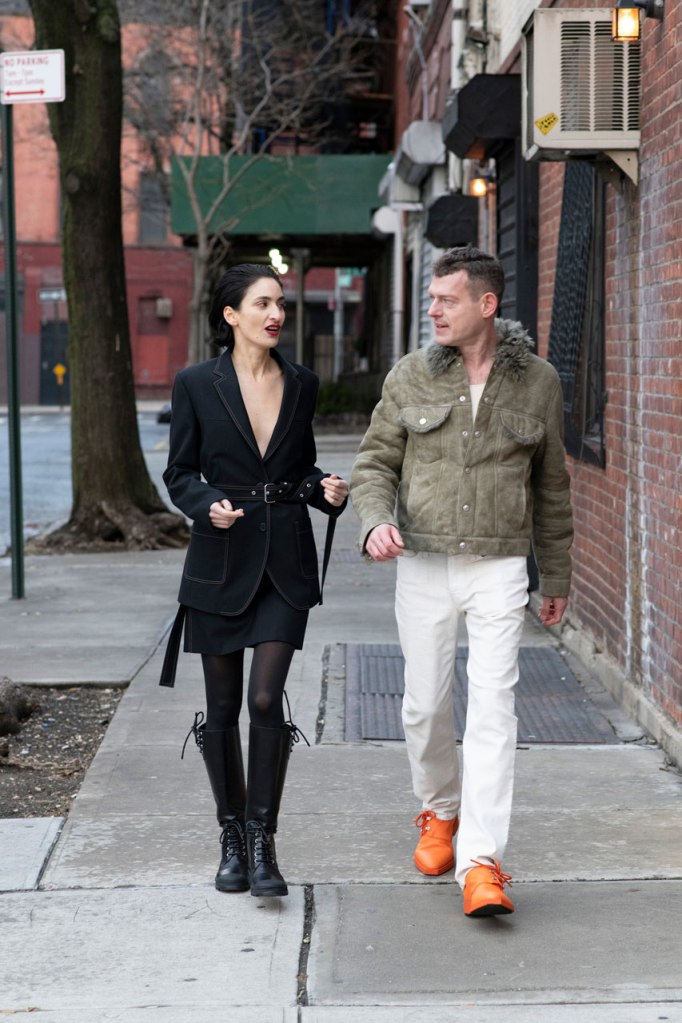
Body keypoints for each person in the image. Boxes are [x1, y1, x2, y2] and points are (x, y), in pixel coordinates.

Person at [350, 245, 572, 918]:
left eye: (447, 299)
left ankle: (480, 862)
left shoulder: (538, 382)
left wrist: (555, 573)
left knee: (494, 709)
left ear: (487, 304)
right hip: (422, 561)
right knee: (424, 706)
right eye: (432, 299)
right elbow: (375, 463)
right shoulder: (411, 375)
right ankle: (439, 809)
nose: (434, 310)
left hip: (499, 566)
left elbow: (552, 485)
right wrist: (375, 521)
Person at [159, 263, 348, 898]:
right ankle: (232, 837)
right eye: (262, 303)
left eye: (280, 304)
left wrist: (325, 490)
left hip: (284, 564)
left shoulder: (302, 383)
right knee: (221, 708)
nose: (276, 314)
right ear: (231, 314)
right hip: (220, 561)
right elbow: (179, 472)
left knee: (265, 700)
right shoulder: (196, 383)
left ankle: (264, 840)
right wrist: (204, 503)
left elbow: (300, 469)